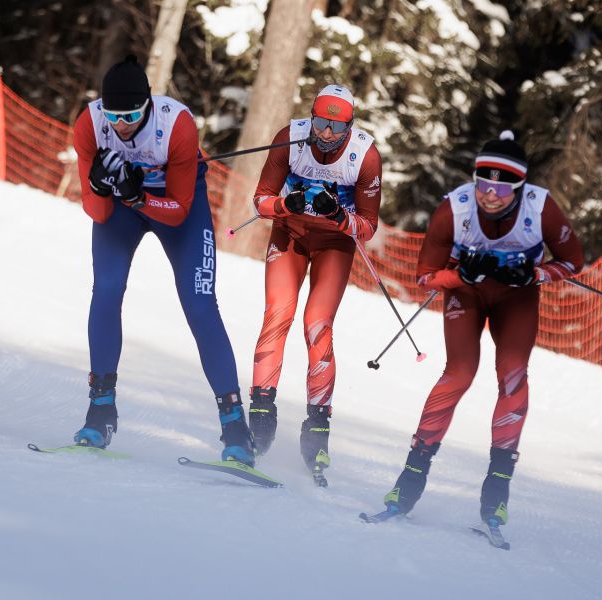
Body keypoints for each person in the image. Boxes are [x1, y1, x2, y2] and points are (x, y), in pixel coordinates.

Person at [380, 131, 584, 534]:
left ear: (519, 187)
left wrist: (533, 273)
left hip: (516, 297)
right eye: (482, 185)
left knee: (513, 375)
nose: (490, 195)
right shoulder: (454, 208)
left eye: (502, 188)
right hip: (467, 294)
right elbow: (424, 276)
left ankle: (497, 493)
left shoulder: (541, 207)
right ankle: (409, 480)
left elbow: (573, 262)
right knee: (458, 374)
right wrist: (462, 275)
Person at [70, 54, 255, 465]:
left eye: (132, 115)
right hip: (122, 210)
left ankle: (235, 426)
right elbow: (97, 212)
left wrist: (137, 194)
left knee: (200, 305)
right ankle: (100, 411)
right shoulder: (90, 125)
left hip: (174, 207)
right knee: (106, 291)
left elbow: (179, 210)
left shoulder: (177, 124)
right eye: (114, 115)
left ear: (148, 105)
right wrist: (101, 186)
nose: (121, 125)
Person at [247, 85, 383, 486]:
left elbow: (368, 226)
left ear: (349, 127)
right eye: (320, 123)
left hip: (334, 244)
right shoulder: (290, 138)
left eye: (336, 127)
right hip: (289, 234)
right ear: (311, 117)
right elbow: (260, 200)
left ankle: (317, 431)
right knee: (277, 314)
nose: (326, 133)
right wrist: (284, 205)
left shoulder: (365, 155)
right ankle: (260, 418)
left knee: (317, 325)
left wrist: (339, 215)